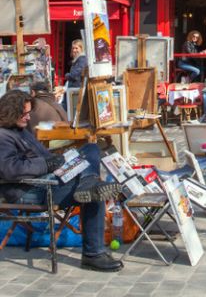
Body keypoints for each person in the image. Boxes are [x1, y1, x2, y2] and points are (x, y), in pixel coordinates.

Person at [0, 90, 122, 271]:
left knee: (91, 149)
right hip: (32, 190)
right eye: (24, 113)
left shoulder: (19, 130)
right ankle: (93, 254)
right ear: (11, 112)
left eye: (28, 113)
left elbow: (41, 157)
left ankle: (88, 183)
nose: (28, 118)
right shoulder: (3, 137)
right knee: (94, 190)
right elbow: (10, 169)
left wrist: (60, 160)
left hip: (46, 180)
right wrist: (47, 164)